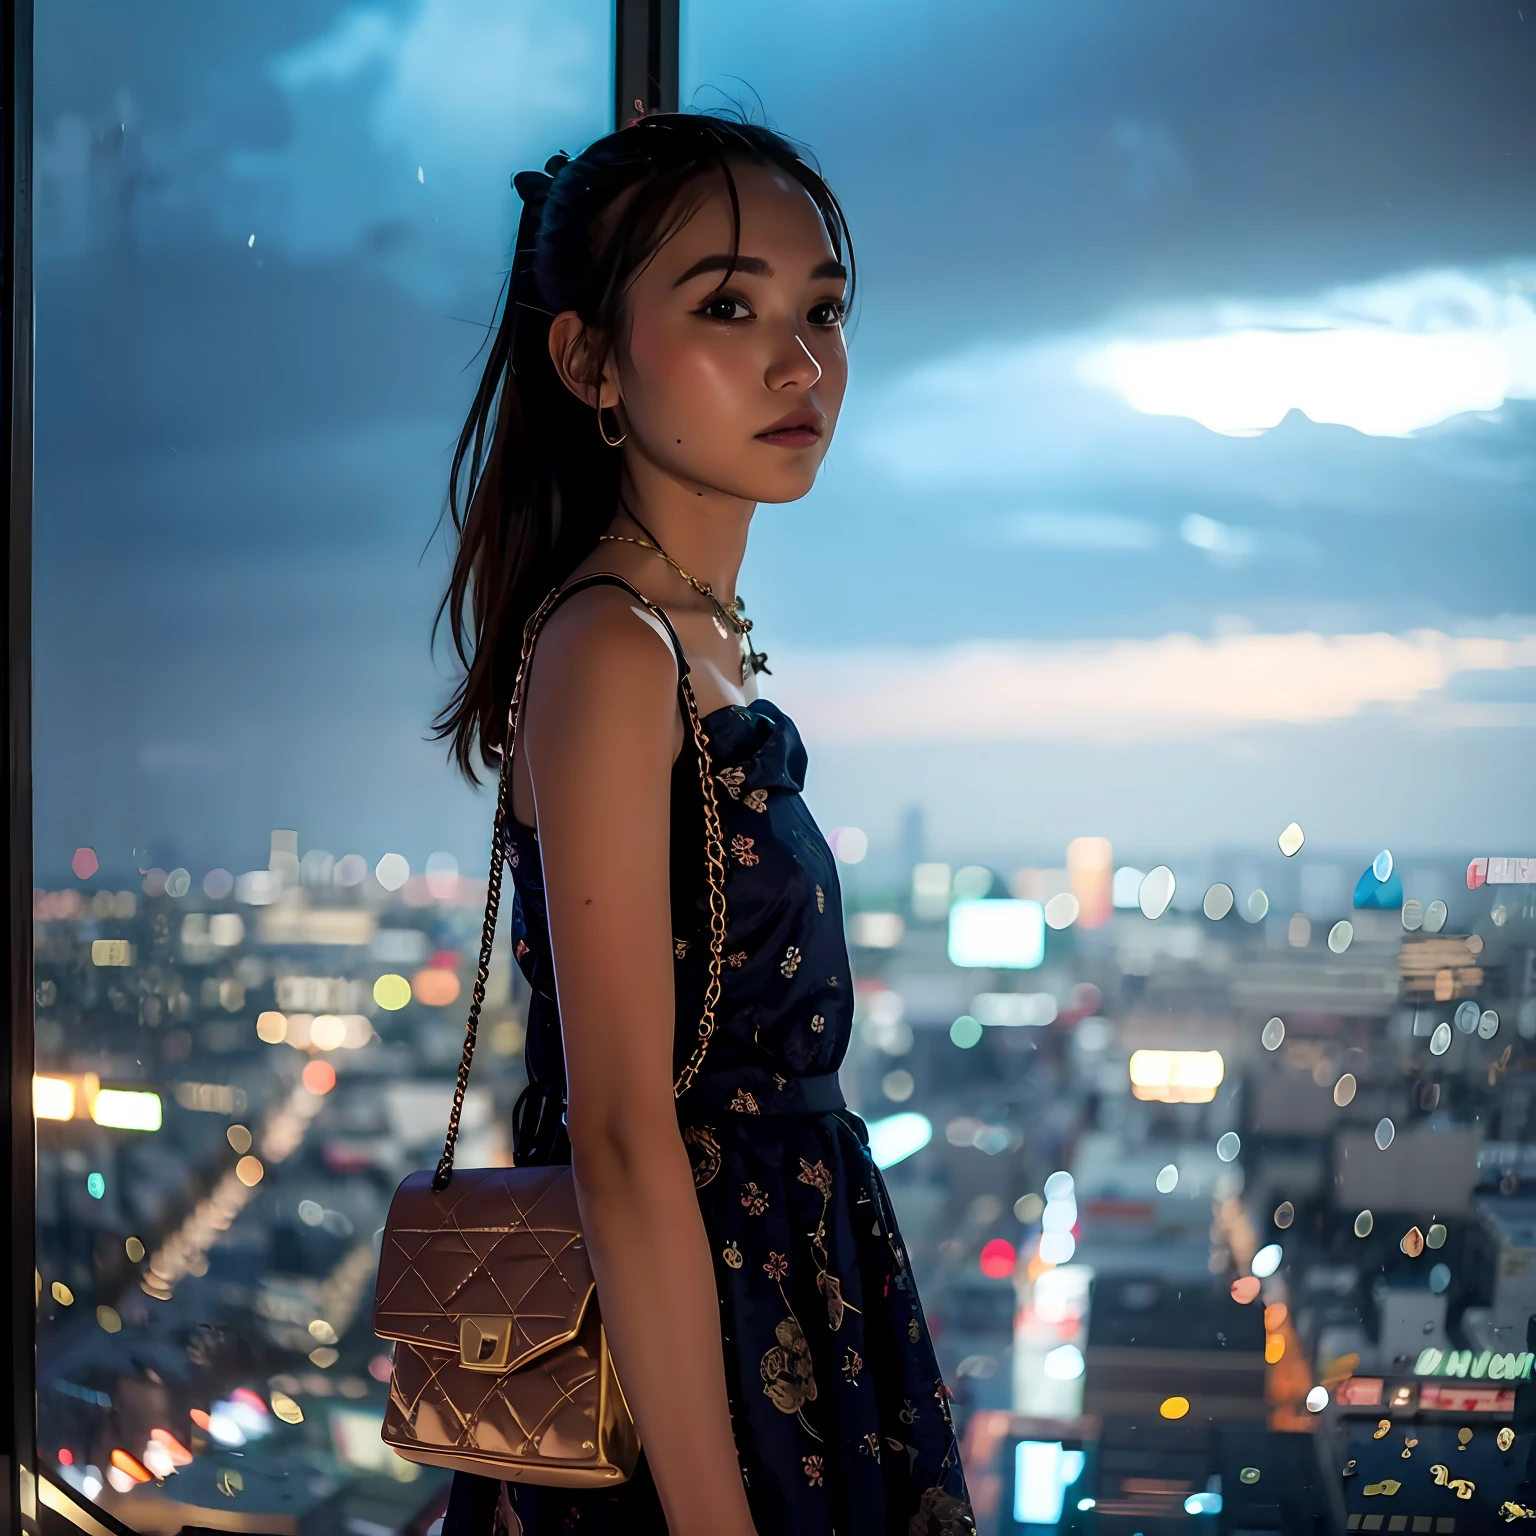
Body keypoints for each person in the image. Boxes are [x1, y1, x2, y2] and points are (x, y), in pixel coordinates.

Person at [432, 109, 975, 1536]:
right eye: (729, 305)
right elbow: (617, 1133)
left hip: (779, 1289)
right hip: (695, 1349)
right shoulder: (616, 652)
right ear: (589, 360)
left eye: (824, 310)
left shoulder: (689, 638)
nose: (801, 362)